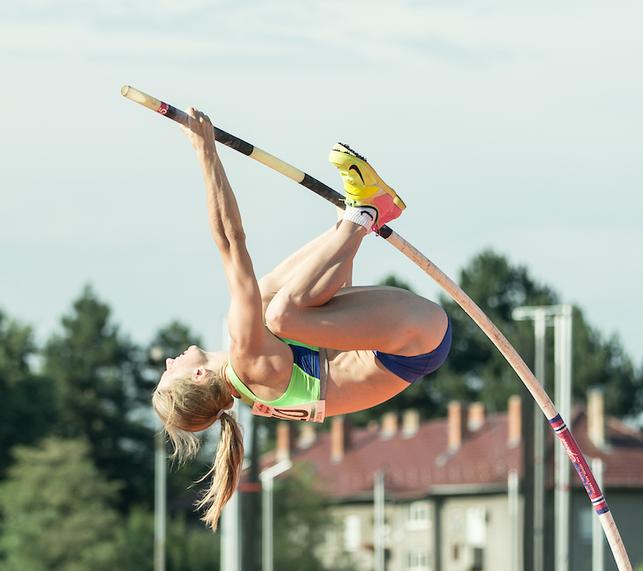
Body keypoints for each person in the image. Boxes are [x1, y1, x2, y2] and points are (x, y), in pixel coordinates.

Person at [152, 108, 451, 529]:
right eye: (170, 373)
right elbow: (230, 240)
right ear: (198, 377)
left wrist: (342, 238)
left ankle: (359, 216)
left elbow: (333, 308)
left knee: (272, 301)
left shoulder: (253, 386)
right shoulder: (249, 362)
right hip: (412, 339)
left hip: (406, 342)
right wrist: (206, 153)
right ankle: (365, 213)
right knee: (278, 312)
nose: (168, 362)